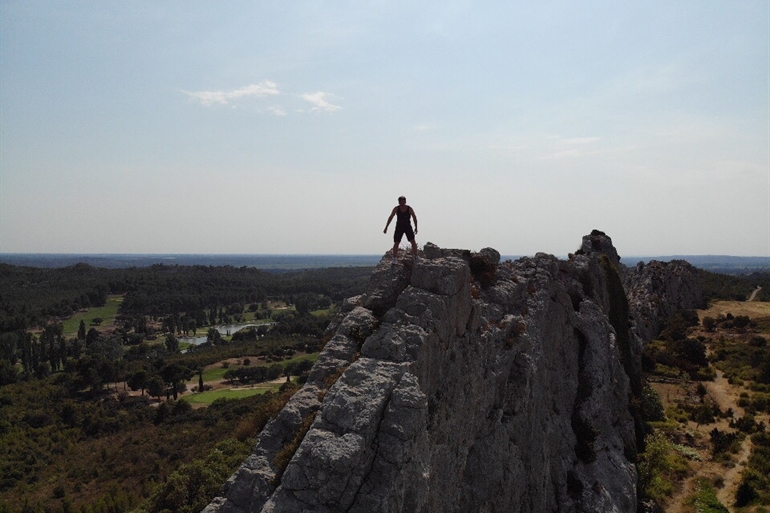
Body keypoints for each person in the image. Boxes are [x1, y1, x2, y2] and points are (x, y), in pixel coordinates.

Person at [383, 196, 418, 260]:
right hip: (399, 227)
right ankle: (394, 258)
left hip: (407, 227)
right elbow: (390, 217)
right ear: (399, 202)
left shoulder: (409, 208)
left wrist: (416, 227)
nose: (402, 203)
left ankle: (416, 256)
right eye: (401, 202)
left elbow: (414, 217)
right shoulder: (396, 209)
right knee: (396, 242)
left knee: (413, 241)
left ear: (405, 202)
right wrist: (386, 227)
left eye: (403, 201)